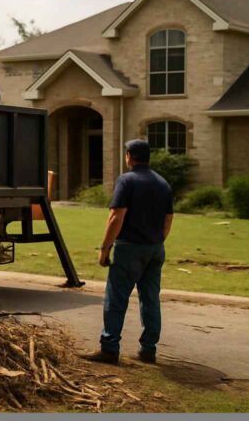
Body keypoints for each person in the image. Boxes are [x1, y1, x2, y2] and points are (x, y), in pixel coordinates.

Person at [83, 139, 174, 364]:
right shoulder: (163, 183)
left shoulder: (127, 180)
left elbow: (116, 216)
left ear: (129, 156)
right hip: (155, 248)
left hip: (129, 248)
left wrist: (105, 248)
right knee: (150, 298)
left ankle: (110, 348)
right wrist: (157, 240)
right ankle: (148, 349)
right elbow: (168, 218)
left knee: (116, 298)